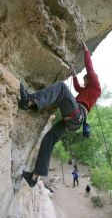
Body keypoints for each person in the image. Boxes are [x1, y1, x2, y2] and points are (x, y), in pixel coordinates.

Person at [19, 40, 101, 187]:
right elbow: (77, 88)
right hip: (72, 122)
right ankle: (34, 176)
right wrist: (75, 75)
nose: (84, 81)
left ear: (90, 79)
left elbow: (90, 68)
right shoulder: (86, 90)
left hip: (77, 116)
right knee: (48, 139)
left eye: (85, 79)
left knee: (62, 88)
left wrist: (86, 51)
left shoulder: (95, 86)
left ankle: (30, 101)